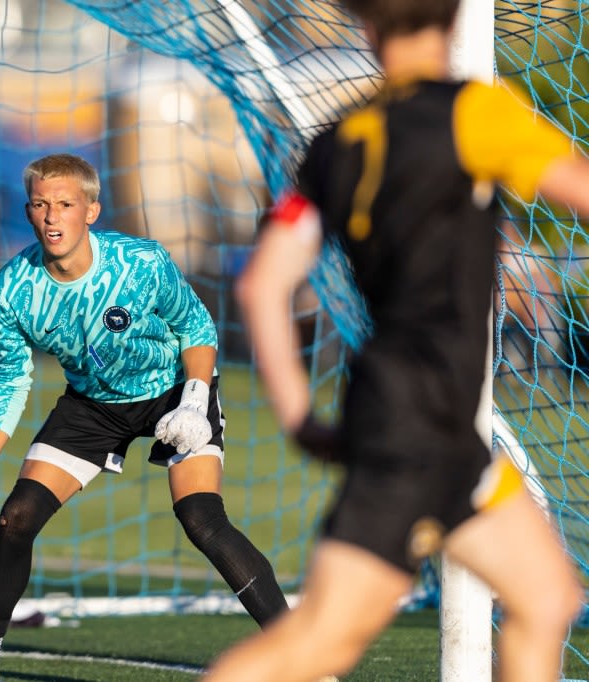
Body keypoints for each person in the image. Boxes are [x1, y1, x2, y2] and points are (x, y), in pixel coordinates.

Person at [205, 0, 588, 680]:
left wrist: (299, 418)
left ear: (367, 27)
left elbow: (262, 286)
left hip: (419, 418)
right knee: (321, 642)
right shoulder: (477, 112)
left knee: (546, 595)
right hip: (421, 423)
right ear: (452, 21)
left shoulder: (337, 141)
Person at [0, 152, 289, 681]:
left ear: (92, 210)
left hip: (174, 389)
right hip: (93, 404)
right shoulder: (10, 289)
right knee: (15, 520)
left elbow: (197, 329)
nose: (52, 216)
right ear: (29, 212)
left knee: (201, 519)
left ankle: (301, 656)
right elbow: (12, 379)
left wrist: (195, 401)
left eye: (65, 204)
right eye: (40, 204)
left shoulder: (142, 263)